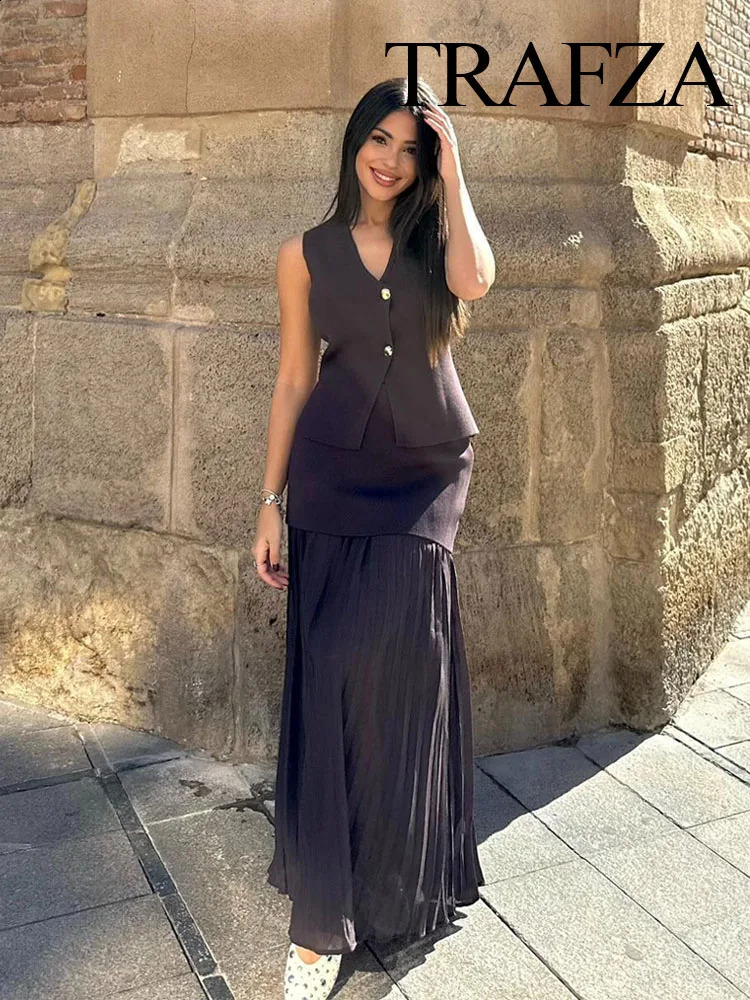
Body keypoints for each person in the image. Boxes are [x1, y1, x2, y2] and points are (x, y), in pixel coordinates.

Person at [253, 75, 496, 1000]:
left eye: (410, 147)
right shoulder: (303, 254)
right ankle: (320, 927)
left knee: (401, 668)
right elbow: (292, 378)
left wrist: (455, 167)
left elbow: (477, 280)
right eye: (378, 140)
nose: (390, 160)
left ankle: (397, 881)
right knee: (333, 676)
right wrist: (269, 500)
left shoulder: (439, 243)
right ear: (354, 143)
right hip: (330, 477)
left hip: (425, 476)